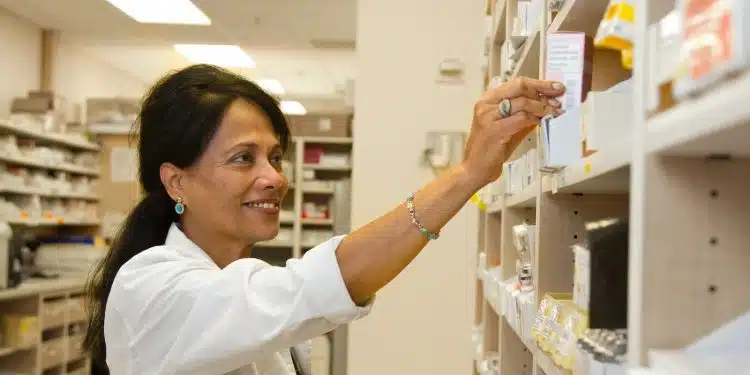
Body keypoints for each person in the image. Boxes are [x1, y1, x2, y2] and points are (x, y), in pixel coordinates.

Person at [82, 64, 565, 375]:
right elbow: (310, 288)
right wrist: (464, 176)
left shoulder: (240, 282)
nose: (273, 177)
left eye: (274, 156)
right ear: (177, 182)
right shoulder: (149, 288)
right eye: (242, 159)